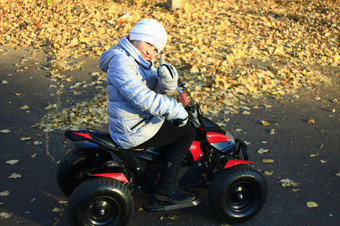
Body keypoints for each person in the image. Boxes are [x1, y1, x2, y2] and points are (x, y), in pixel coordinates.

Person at [100, 19, 196, 204]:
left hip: (137, 121)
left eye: (155, 50)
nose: (150, 52)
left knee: (176, 125)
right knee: (186, 132)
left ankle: (157, 168)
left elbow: (154, 89)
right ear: (135, 36)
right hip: (133, 129)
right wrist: (176, 110)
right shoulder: (122, 62)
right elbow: (142, 98)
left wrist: (166, 82)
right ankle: (165, 190)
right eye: (149, 43)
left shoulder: (137, 59)